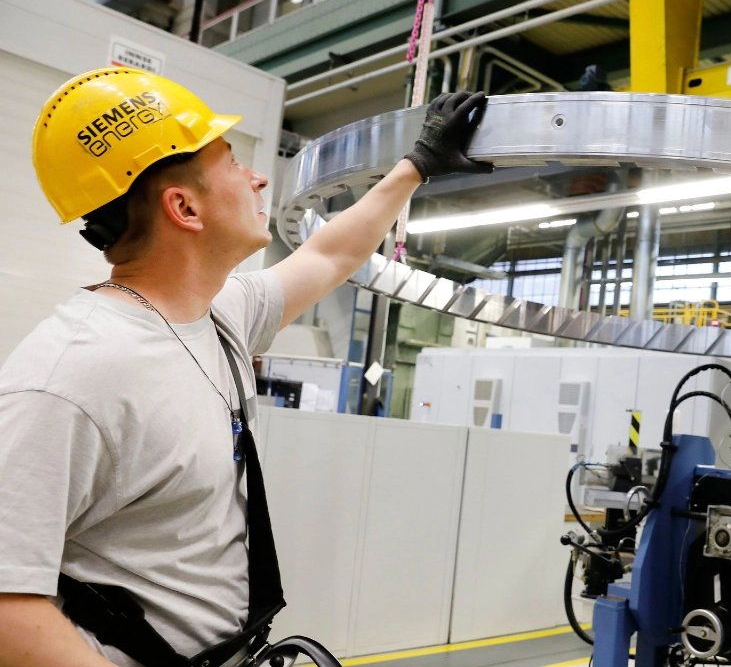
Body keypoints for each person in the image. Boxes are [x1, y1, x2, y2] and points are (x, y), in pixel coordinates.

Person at [0, 67, 490, 667]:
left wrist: (418, 164)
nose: (257, 177)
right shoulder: (70, 376)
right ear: (183, 207)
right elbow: (8, 606)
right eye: (233, 163)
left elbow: (330, 253)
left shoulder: (219, 313)